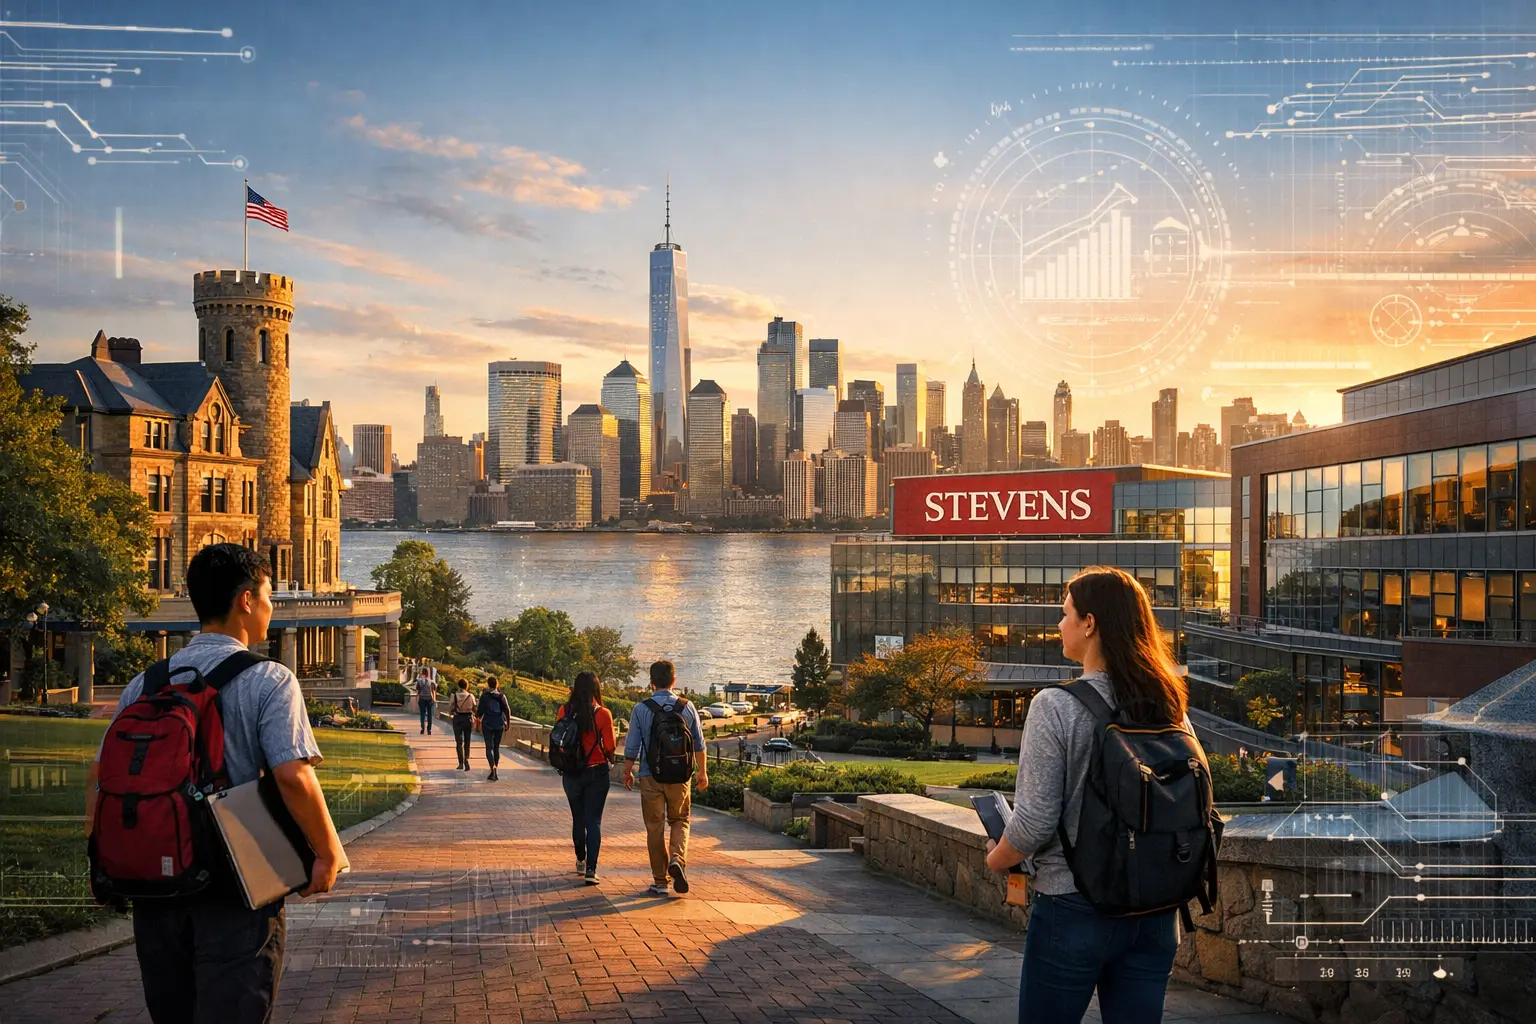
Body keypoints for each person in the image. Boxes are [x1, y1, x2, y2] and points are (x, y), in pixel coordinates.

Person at [87, 543, 345, 1024]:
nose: (271, 607)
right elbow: (292, 775)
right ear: (246, 600)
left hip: (153, 883)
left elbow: (100, 778)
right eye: (269, 595)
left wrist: (102, 859)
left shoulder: (145, 684)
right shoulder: (270, 678)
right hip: (237, 883)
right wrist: (328, 855)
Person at [984, 566, 1204, 1024]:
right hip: (1156, 911)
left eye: (1066, 613)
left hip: (1075, 906)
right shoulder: (1170, 705)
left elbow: (1033, 823)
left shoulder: (1055, 705)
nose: (1059, 624)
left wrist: (997, 858)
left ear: (1090, 623)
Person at [622, 660, 708, 897]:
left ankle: (661, 881)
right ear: (674, 680)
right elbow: (699, 743)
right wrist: (702, 772)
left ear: (651, 682)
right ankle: (677, 859)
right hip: (680, 776)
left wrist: (628, 771)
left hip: (650, 775)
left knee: (655, 827)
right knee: (680, 820)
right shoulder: (687, 707)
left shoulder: (641, 709)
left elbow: (632, 745)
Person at [556, 671, 616, 885]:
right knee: (593, 820)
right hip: (596, 771)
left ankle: (580, 859)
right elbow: (610, 746)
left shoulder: (564, 710)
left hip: (572, 772)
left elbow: (559, 740)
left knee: (578, 818)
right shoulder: (603, 714)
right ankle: (591, 869)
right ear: (596, 689)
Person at [476, 674, 512, 781]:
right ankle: (495, 770)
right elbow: (507, 710)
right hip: (499, 724)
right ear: (497, 684)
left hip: (487, 724)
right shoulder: (501, 696)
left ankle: (493, 770)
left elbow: (479, 712)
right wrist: (508, 723)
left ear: (488, 684)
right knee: (496, 748)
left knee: (489, 748)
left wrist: (477, 723)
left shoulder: (484, 696)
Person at [448, 678, 477, 771]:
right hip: (468, 718)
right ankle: (466, 759)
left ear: (458, 685)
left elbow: (451, 707)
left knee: (459, 742)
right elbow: (474, 707)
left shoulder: (454, 695)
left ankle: (460, 763)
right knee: (467, 741)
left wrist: (451, 713)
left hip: (458, 719)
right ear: (466, 686)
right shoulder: (470, 696)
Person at [415, 664, 437, 735]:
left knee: (422, 714)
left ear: (422, 673)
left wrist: (416, 700)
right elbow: (433, 692)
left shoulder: (419, 681)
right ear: (428, 674)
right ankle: (429, 730)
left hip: (422, 699)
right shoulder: (432, 682)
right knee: (430, 715)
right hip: (430, 699)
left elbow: (417, 692)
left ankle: (422, 728)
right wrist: (434, 700)